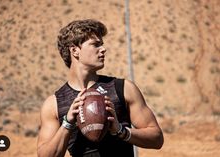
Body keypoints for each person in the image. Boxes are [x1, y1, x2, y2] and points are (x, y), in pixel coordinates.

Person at [37, 19, 164, 157]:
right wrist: (67, 124)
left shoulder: (122, 88)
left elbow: (157, 139)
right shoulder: (54, 104)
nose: (103, 49)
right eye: (95, 45)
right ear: (75, 51)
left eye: (102, 45)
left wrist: (121, 131)